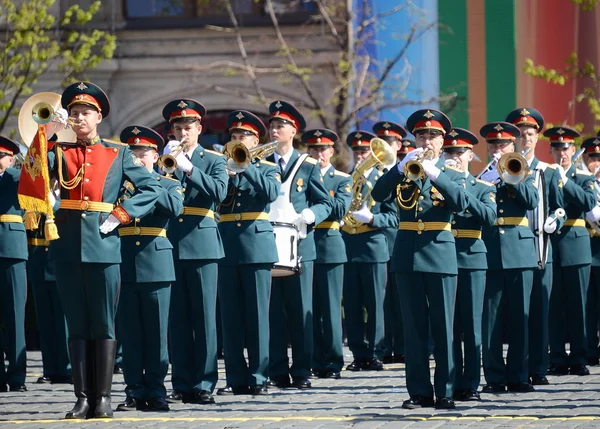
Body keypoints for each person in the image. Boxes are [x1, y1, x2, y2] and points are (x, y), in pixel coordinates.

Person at [49, 81, 161, 419]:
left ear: (99, 116)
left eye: (86, 112)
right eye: (74, 113)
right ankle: (82, 398)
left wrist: (121, 214)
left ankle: (103, 398)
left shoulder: (117, 152)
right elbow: (32, 176)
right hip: (67, 244)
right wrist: (46, 135)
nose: (79, 117)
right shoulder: (59, 150)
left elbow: (151, 186)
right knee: (76, 323)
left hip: (103, 243)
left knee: (103, 323)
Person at [371, 109, 468, 410]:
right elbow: (378, 193)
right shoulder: (404, 170)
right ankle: (419, 392)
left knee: (443, 328)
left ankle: (447, 390)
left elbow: (462, 204)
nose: (426, 141)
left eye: (433, 136)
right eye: (422, 135)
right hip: (408, 253)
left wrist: (436, 174)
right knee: (414, 330)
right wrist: (399, 168)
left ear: (442, 142)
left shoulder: (451, 172)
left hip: (439, 252)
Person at [162, 99, 228, 405]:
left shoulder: (213, 159)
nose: (183, 132)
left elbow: (219, 192)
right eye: (178, 128)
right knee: (177, 318)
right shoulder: (166, 159)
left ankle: (204, 382)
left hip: (201, 243)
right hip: (171, 241)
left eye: (188, 127)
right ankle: (181, 381)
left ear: (199, 129)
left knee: (203, 318)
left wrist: (189, 169)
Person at [115, 125, 183, 412]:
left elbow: (175, 208)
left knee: (156, 333)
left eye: (143, 153)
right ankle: (133, 389)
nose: (137, 158)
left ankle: (156, 389)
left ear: (156, 155)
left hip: (156, 262)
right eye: (132, 154)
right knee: (129, 333)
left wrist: (149, 183)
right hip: (124, 261)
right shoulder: (118, 186)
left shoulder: (168, 183)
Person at [265, 100, 333, 389]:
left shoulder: (307, 164)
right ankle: (277, 369)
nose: (274, 130)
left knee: (299, 307)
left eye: (280, 125)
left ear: (293, 131)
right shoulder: (261, 162)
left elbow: (325, 202)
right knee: (274, 311)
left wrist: (311, 215)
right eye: (272, 125)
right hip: (268, 242)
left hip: (300, 244)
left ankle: (302, 369)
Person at [216, 110, 280, 396]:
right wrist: (227, 173)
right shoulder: (223, 167)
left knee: (257, 315)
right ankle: (235, 377)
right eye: (234, 136)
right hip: (227, 244)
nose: (237, 140)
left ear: (255, 139)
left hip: (256, 245)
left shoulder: (267, 167)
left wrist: (247, 166)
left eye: (243, 136)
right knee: (230, 317)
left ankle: (259, 376)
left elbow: (270, 193)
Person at [478, 121, 539, 393]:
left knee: (519, 318)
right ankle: (493, 377)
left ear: (512, 147)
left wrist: (509, 177)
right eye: (493, 144)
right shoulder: (481, 175)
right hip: (490, 251)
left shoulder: (524, 172)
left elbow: (532, 201)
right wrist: (487, 181)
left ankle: (518, 375)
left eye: (503, 145)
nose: (498, 149)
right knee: (490, 319)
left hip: (520, 251)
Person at [505, 107, 563, 385]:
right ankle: (518, 366)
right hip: (515, 249)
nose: (525, 139)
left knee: (539, 311)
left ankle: (538, 368)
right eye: (520, 135)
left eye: (530, 134)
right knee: (517, 312)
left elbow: (559, 208)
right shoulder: (505, 167)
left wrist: (554, 221)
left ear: (537, 137)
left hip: (542, 248)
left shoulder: (547, 171)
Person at [442, 128, 497, 401]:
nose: (454, 157)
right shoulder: (436, 185)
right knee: (449, 325)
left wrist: (461, 191)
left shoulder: (481, 186)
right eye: (449, 152)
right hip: (445, 257)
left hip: (473, 257)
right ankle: (450, 381)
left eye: (460, 152)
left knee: (473, 324)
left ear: (470, 156)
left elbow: (489, 216)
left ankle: (472, 383)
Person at [342, 131, 398, 372]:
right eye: (357, 152)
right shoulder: (346, 179)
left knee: (375, 303)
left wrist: (372, 217)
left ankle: (376, 352)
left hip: (373, 246)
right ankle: (358, 352)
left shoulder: (382, 180)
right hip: (348, 245)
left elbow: (394, 216)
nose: (361, 156)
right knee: (352, 304)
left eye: (365, 151)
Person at [546, 126, 596, 377]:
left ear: (573, 150)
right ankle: (556, 356)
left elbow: (588, 202)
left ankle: (578, 357)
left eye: (565, 148)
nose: (561, 153)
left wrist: (564, 181)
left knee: (578, 305)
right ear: (551, 151)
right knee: (554, 305)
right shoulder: (545, 174)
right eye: (556, 148)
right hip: (551, 244)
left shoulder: (583, 177)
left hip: (576, 244)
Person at [304, 128, 352, 379]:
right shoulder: (299, 175)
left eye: (323, 149)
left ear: (331, 152)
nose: (318, 154)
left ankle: (333, 361)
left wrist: (315, 188)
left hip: (331, 246)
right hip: (305, 243)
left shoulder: (341, 179)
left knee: (331, 308)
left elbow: (339, 209)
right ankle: (313, 359)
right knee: (308, 307)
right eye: (313, 149)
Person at [372, 121, 407, 365]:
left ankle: (404, 347)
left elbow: (397, 213)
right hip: (376, 244)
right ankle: (382, 348)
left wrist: (373, 218)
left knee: (402, 298)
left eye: (391, 142)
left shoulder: (407, 170)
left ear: (400, 145)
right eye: (382, 142)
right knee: (382, 301)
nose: (386, 146)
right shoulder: (371, 173)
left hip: (399, 241)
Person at [26, 212, 71, 385]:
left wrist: (54, 204)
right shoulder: (35, 197)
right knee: (45, 323)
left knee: (63, 322)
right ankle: (50, 369)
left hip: (60, 260)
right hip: (39, 260)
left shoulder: (65, 194)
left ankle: (67, 368)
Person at [0, 137, 28, 393]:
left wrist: (10, 168)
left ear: (11, 158)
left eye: (0, 156)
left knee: (15, 315)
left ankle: (17, 376)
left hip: (11, 250)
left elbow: (33, 174)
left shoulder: (16, 176)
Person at [582, 135, 600, 366]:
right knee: (587, 304)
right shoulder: (581, 180)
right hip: (586, 247)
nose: (596, 161)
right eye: (592, 157)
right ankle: (588, 349)